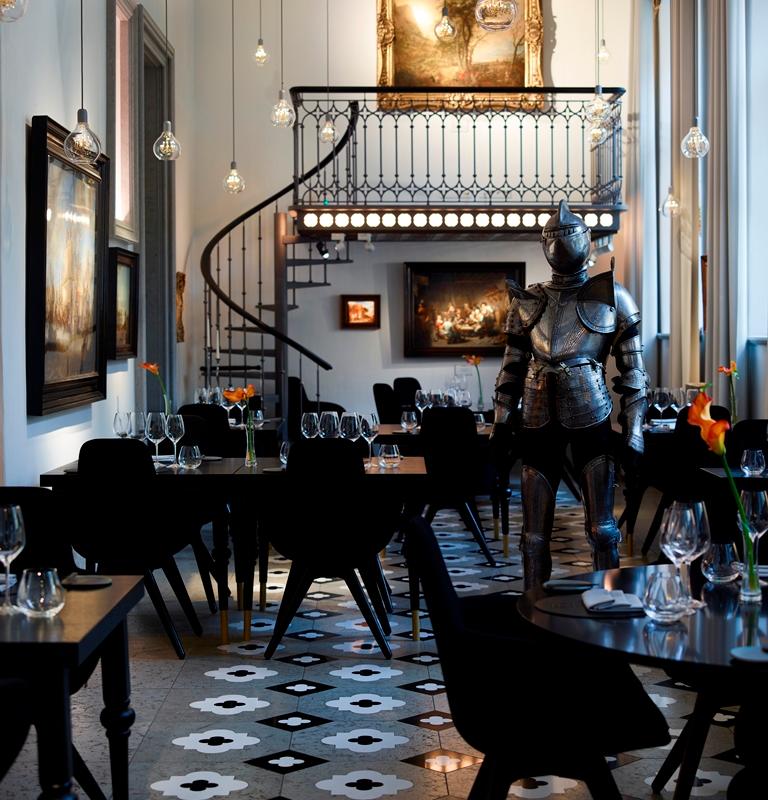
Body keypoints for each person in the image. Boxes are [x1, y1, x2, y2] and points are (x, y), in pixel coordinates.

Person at [491, 199, 648, 588]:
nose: (561, 242)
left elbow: (634, 372)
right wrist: (501, 421)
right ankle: (533, 605)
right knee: (533, 536)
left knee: (602, 529)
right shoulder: (528, 301)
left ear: (586, 239)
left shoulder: (612, 296)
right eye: (554, 236)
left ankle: (607, 600)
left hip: (591, 411)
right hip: (536, 415)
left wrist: (634, 430)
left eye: (567, 234)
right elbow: (511, 368)